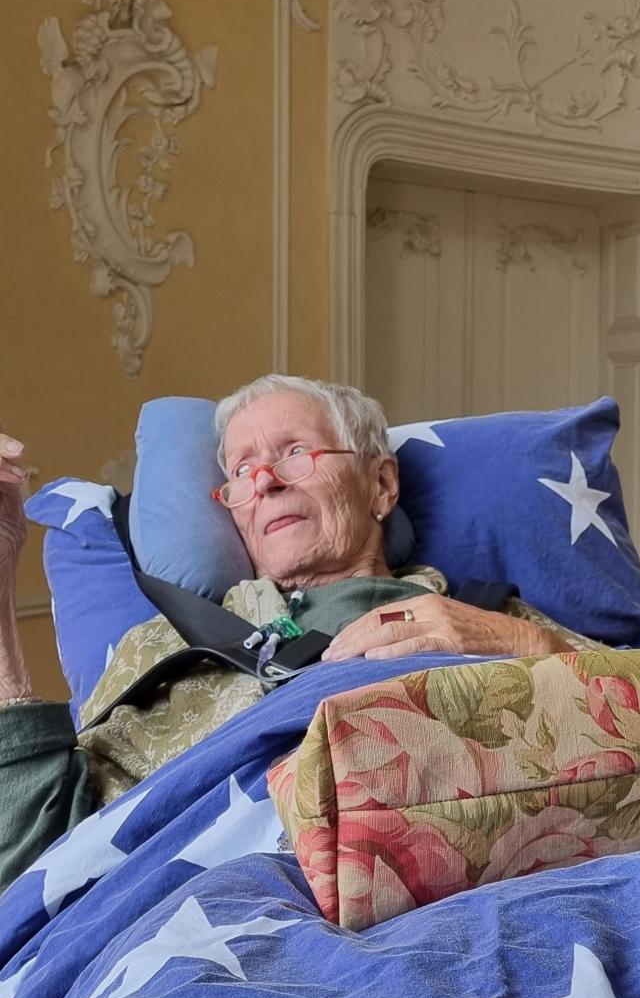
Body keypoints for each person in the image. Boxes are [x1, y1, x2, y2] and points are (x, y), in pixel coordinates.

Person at [0, 375, 577, 889]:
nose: (266, 482)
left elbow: (634, 711)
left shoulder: (485, 619)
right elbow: (32, 855)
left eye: (296, 452)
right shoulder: (161, 647)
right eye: (241, 472)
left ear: (381, 484)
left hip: (470, 893)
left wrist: (526, 645)